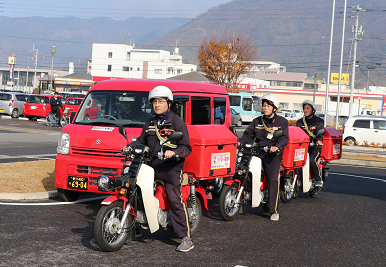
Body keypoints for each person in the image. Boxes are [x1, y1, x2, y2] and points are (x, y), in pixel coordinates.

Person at [123, 86, 194, 252]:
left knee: (175, 200)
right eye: (154, 101)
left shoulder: (177, 122)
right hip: (151, 166)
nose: (157, 104)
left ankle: (186, 237)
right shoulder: (150, 122)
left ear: (169, 103)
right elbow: (141, 140)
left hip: (171, 169)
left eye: (161, 101)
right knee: (134, 190)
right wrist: (130, 147)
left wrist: (174, 152)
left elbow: (186, 148)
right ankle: (136, 227)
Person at [239, 94, 289, 221]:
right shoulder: (257, 121)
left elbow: (284, 137)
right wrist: (239, 143)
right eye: (264, 105)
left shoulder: (282, 122)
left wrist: (276, 146)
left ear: (274, 108)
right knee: (241, 170)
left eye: (268, 106)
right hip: (257, 153)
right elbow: (247, 135)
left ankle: (274, 211)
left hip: (272, 155)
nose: (265, 108)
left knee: (273, 179)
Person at [295, 100, 324, 187]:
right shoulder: (300, 122)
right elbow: (296, 133)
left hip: (315, 147)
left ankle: (318, 179)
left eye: (308, 108)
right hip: (303, 147)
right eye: (304, 108)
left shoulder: (319, 121)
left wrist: (319, 140)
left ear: (313, 110)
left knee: (312, 160)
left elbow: (320, 132)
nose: (305, 110)